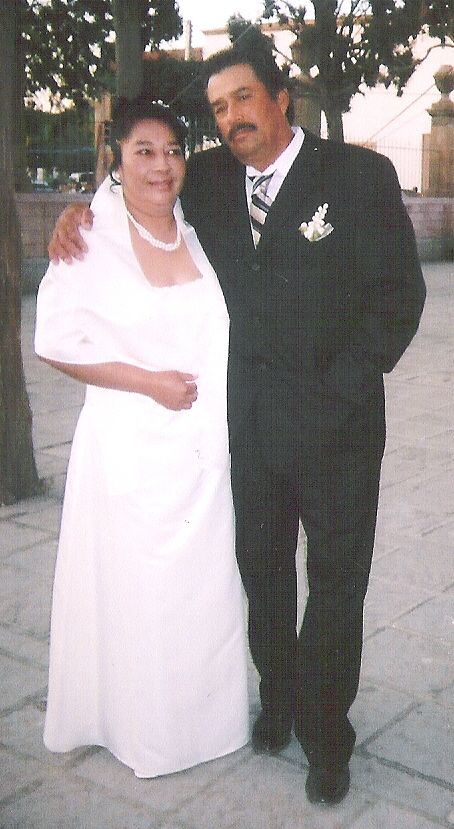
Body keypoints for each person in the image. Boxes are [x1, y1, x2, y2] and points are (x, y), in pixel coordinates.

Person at [48, 47, 426, 804]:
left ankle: (326, 733)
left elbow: (399, 298)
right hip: (247, 431)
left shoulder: (358, 177)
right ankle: (277, 698)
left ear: (282, 97)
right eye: (218, 110)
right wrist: (82, 208)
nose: (231, 120)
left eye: (243, 99)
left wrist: (344, 383)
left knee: (334, 583)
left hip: (339, 430)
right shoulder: (215, 180)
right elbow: (144, 193)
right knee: (262, 573)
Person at [35, 97, 249, 779]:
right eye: (144, 151)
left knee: (201, 594)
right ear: (115, 160)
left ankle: (205, 723)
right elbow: (53, 343)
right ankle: (142, 730)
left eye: (173, 150)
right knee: (141, 596)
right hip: (129, 447)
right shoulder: (88, 238)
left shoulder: (200, 226)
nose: (162, 165)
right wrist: (147, 381)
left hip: (202, 455)